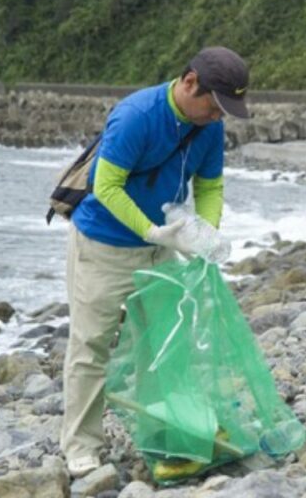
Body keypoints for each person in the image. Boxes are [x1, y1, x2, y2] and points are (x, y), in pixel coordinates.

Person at [61, 46, 250, 478]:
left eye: (226, 110)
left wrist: (206, 234)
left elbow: (210, 185)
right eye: (215, 105)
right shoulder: (137, 116)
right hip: (103, 245)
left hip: (161, 247)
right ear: (189, 83)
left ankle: (160, 433)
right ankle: (81, 445)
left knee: (164, 344)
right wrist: (149, 231)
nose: (219, 117)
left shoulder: (209, 127)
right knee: (91, 346)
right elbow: (106, 186)